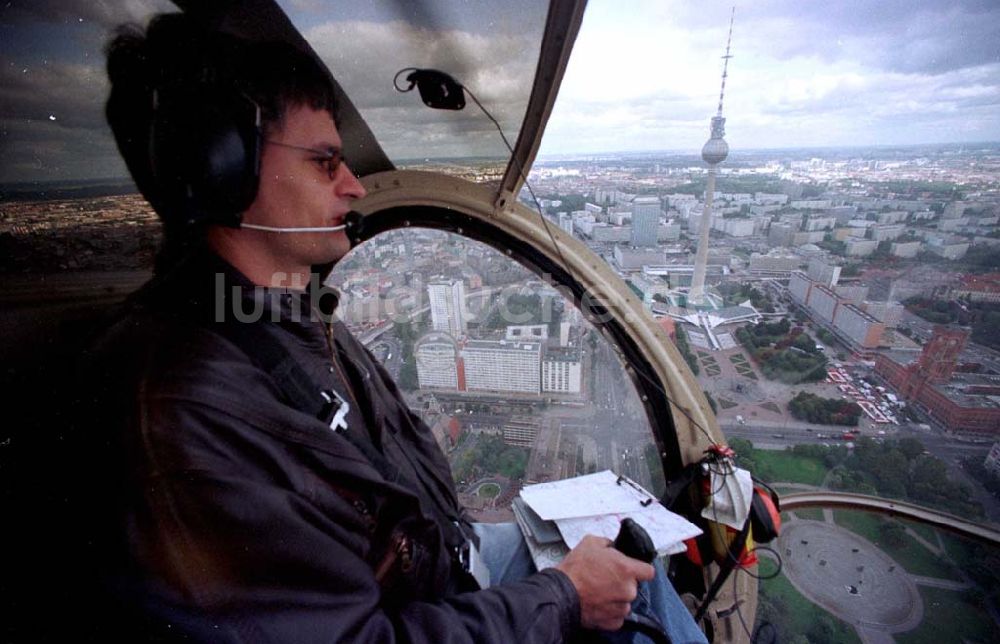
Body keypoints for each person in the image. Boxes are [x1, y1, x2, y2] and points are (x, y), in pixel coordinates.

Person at [77, 12, 706, 644]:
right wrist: (563, 600)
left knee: (632, 567)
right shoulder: (185, 413)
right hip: (429, 604)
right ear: (221, 169)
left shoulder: (286, 320)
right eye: (325, 162)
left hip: (448, 564)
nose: (352, 186)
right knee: (638, 606)